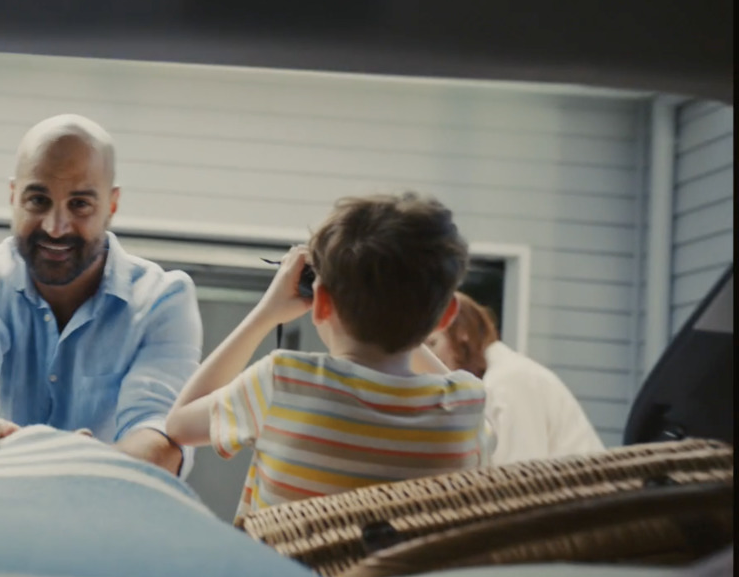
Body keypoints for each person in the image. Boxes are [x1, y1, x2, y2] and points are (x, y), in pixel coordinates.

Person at [166, 193, 490, 524]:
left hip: (285, 574)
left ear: (321, 302)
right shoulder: (466, 407)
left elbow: (177, 425)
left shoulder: (285, 382)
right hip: (397, 576)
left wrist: (264, 315)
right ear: (446, 317)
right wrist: (412, 320)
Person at [0, 114, 202, 475]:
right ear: (13, 196)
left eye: (79, 204)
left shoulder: (163, 300)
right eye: (38, 200)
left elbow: (162, 431)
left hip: (109, 503)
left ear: (112, 204)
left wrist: (83, 468)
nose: (55, 227)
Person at [427, 292, 605, 465]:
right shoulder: (502, 378)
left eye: (432, 344)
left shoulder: (508, 382)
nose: (428, 360)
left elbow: (519, 475)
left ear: (462, 333)